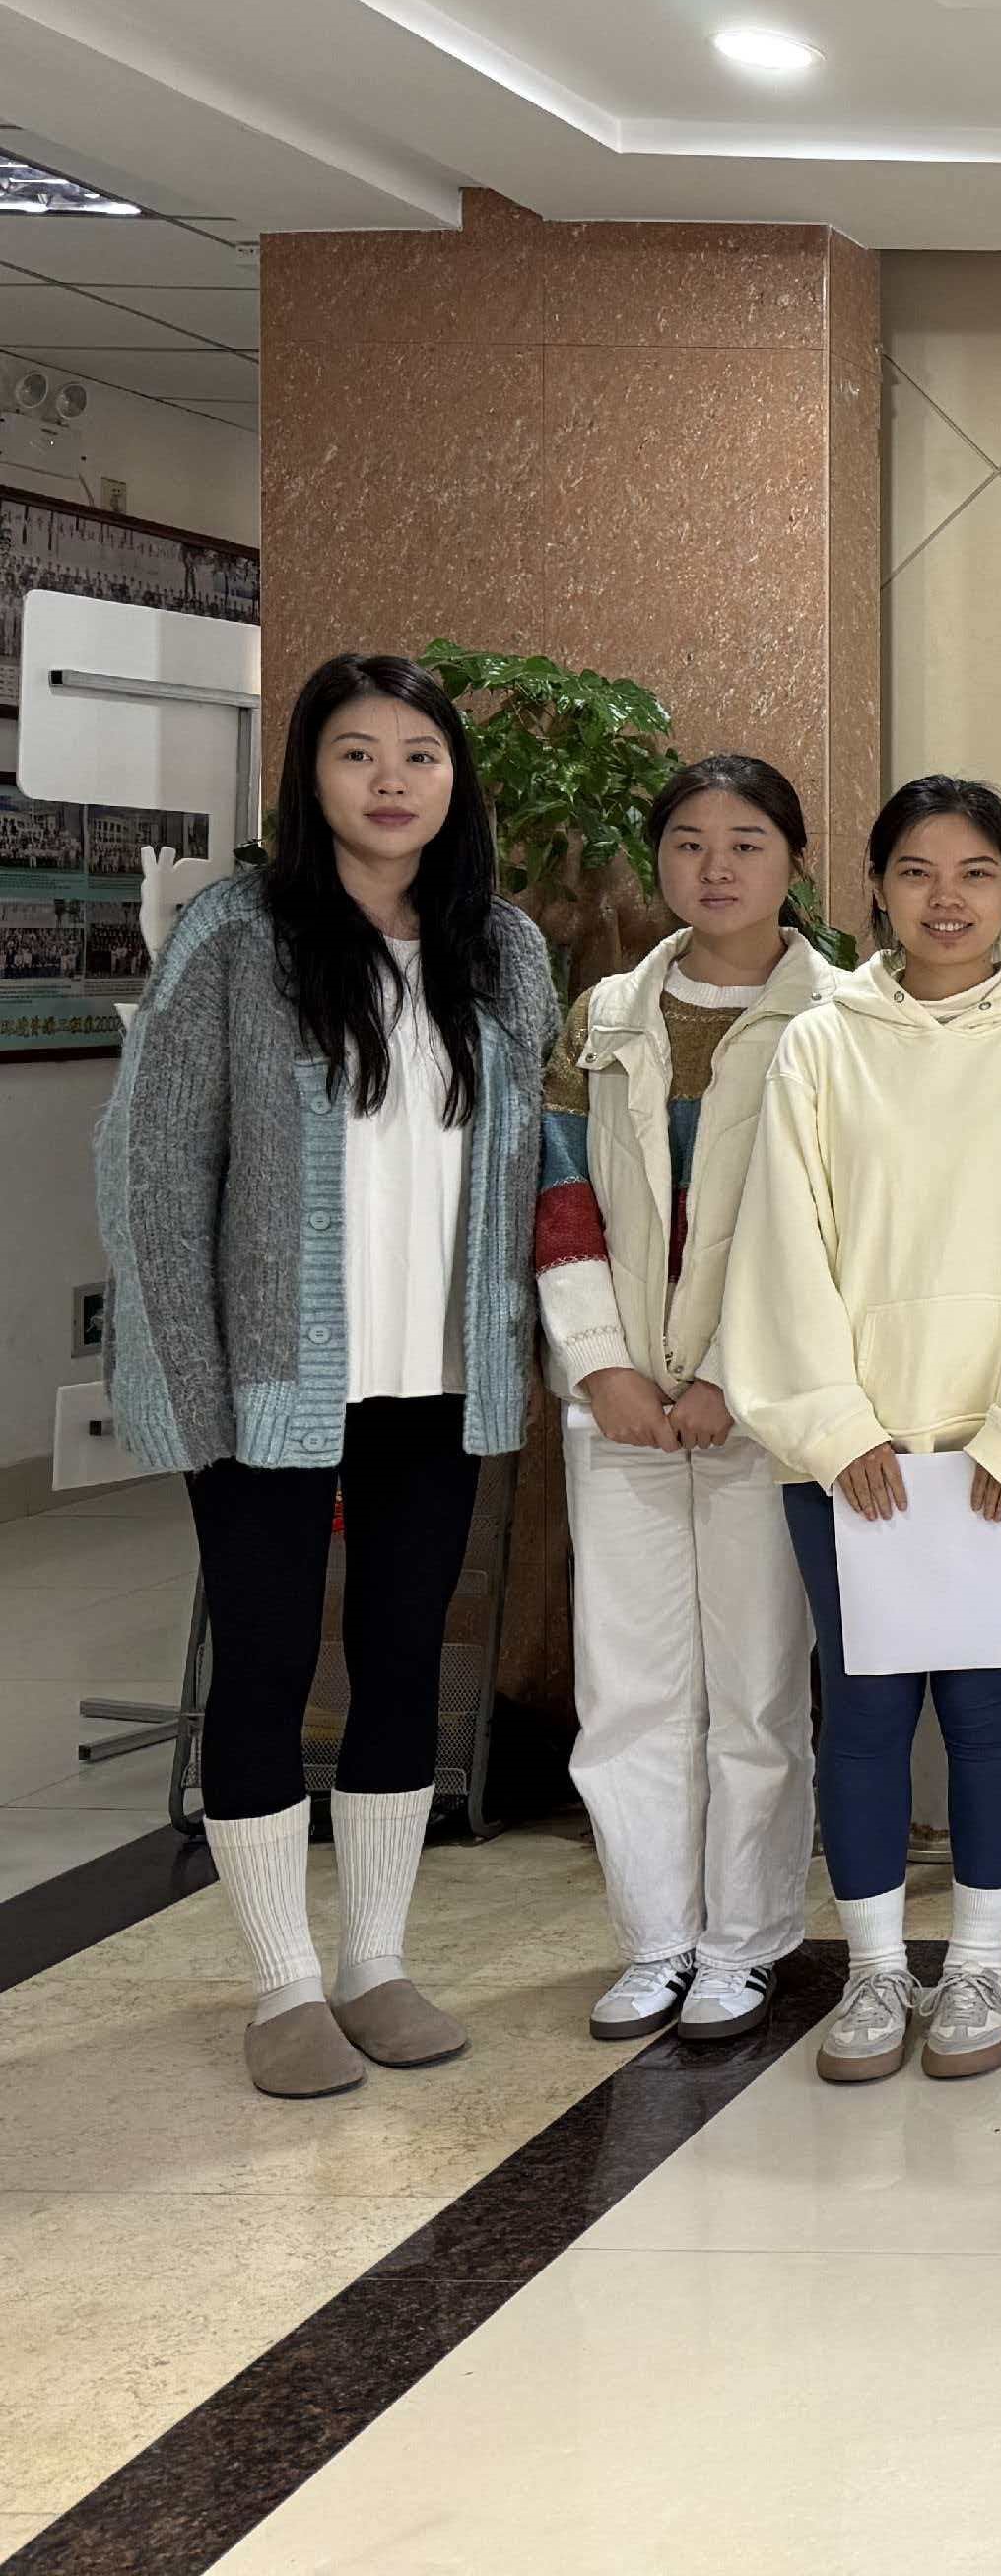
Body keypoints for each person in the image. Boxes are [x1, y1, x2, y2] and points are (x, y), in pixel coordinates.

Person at [96, 652, 557, 2099]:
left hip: (438, 1373)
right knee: (269, 1660)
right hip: (270, 1376)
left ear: (455, 780)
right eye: (358, 753)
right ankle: (282, 1981)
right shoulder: (237, 937)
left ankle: (375, 1961)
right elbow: (154, 1169)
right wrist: (184, 1378)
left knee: (406, 1654)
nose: (392, 782)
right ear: (308, 776)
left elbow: (522, 1162)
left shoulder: (502, 948)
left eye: (421, 754)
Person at [719, 776, 1001, 2087]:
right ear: (875, 890)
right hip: (851, 1453)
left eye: (974, 873)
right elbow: (783, 1239)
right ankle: (875, 1972)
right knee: (859, 1713)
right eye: (915, 871)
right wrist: (837, 1428)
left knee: (989, 1709)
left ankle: (978, 1967)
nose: (944, 899)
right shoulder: (823, 1041)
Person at [539, 755, 835, 2048]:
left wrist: (732, 1374)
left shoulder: (841, 1017)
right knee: (629, 1687)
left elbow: (833, 1224)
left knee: (758, 1688)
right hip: (617, 1405)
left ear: (793, 862)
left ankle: (745, 1941)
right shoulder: (606, 1014)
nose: (717, 867)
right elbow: (560, 1194)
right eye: (690, 843)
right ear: (657, 858)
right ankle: (655, 1938)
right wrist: (600, 1363)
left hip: (760, 1407)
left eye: (748, 842)